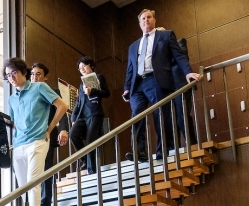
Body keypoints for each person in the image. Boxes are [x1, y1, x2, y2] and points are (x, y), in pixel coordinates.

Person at [123, 9, 200, 162]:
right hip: (137, 85)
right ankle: (139, 152)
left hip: (156, 80)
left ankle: (162, 150)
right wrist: (126, 87)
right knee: (136, 115)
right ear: (139, 24)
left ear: (154, 20)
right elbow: (130, 68)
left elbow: (179, 55)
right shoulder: (133, 46)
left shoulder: (166, 36)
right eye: (143, 18)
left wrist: (188, 72)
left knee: (161, 116)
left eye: (149, 17)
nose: (146, 20)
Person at [4, 57, 68, 206]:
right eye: (8, 75)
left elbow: (62, 106)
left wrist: (50, 128)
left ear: (24, 72)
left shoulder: (39, 87)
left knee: (34, 184)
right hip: (18, 146)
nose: (11, 77)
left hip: (38, 142)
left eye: (14, 72)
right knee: (25, 188)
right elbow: (16, 122)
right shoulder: (11, 99)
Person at [30, 62, 70, 206]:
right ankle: (33, 203)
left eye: (38, 74)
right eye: (32, 74)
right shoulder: (27, 94)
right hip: (30, 139)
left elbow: (63, 111)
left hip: (47, 136)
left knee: (46, 170)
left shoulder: (52, 91)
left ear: (46, 77)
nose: (34, 77)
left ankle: (45, 204)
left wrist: (64, 130)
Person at [69, 56, 110, 174]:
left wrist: (93, 91)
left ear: (91, 65)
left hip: (94, 113)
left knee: (91, 141)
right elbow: (78, 102)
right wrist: (73, 117)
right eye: (80, 68)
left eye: (84, 66)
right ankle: (85, 160)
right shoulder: (81, 84)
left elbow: (107, 93)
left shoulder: (99, 77)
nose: (82, 69)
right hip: (82, 115)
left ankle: (92, 171)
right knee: (73, 134)